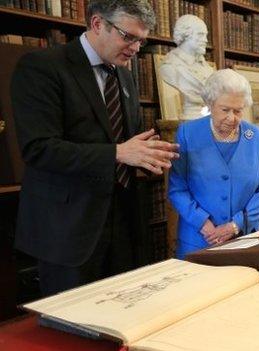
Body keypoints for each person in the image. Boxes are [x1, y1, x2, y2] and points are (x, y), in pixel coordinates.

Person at [11, 0, 179, 296]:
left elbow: (127, 141)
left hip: (123, 224)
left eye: (142, 40)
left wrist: (149, 154)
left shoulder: (124, 75)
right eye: (129, 37)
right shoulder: (43, 67)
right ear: (98, 24)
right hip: (68, 229)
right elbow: (39, 148)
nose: (136, 48)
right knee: (72, 328)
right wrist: (118, 153)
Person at [168, 69, 259, 258]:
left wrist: (236, 225)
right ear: (210, 104)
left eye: (238, 111)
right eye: (225, 110)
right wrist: (204, 224)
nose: (232, 118)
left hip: (245, 240)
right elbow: (177, 189)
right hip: (198, 241)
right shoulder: (187, 134)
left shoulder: (257, 138)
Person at [159, 14, 214, 120]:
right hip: (188, 117)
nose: (206, 40)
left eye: (206, 35)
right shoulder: (170, 67)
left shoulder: (208, 69)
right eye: (201, 35)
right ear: (185, 35)